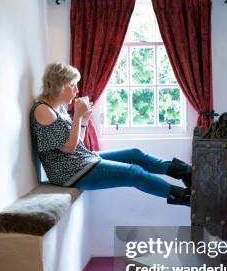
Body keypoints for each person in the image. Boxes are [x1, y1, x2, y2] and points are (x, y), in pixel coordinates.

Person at [30, 63, 192, 206]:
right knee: (134, 173)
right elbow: (70, 148)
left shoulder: (59, 107)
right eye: (73, 85)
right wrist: (78, 116)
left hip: (81, 160)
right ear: (60, 85)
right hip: (69, 173)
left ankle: (187, 172)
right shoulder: (43, 110)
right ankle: (187, 198)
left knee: (134, 154)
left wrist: (84, 120)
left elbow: (76, 142)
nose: (76, 90)